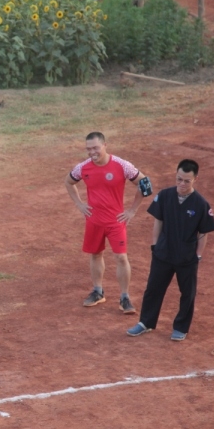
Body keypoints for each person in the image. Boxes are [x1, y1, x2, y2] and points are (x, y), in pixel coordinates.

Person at [126, 160, 214, 341]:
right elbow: (158, 221)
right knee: (153, 289)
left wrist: (198, 255)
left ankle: (181, 328)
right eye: (179, 179)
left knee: (187, 293)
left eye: (187, 181)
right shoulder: (165, 196)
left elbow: (203, 233)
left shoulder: (200, 204)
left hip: (186, 257)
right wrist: (154, 245)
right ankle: (146, 322)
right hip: (163, 253)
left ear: (195, 179)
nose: (182, 184)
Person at [65, 131, 152, 314]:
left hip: (115, 222)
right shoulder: (83, 167)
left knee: (121, 257)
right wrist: (80, 205)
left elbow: (145, 184)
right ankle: (98, 291)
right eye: (88, 149)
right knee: (95, 254)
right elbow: (68, 183)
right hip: (94, 220)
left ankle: (125, 297)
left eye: (95, 148)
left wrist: (132, 210)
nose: (92, 152)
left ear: (105, 146)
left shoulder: (122, 165)